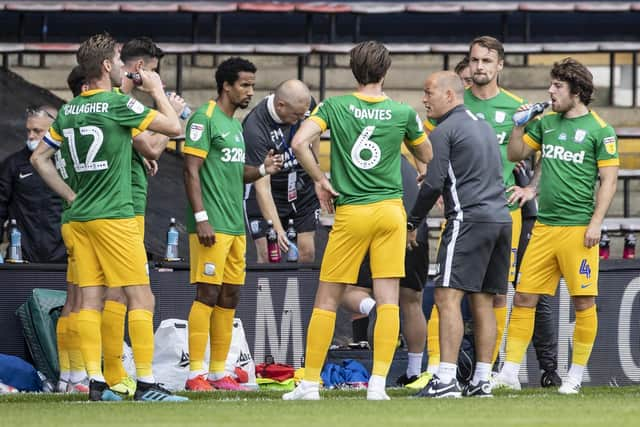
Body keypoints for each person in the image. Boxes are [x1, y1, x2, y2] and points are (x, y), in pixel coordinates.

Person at [31, 32, 186, 402]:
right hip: (114, 216)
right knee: (141, 298)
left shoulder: (68, 110)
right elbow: (174, 128)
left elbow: (38, 158)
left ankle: (96, 383)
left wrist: (71, 194)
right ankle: (147, 385)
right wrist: (158, 91)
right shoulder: (114, 104)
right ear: (105, 66)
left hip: (79, 216)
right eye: (117, 62)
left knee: (87, 300)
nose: (122, 68)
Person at [282, 41, 432, 401]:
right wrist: (422, 169)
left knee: (327, 299)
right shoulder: (402, 112)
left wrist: (320, 178)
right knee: (389, 298)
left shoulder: (335, 106)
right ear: (385, 71)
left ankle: (309, 385)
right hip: (391, 213)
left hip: (352, 212)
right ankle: (378, 385)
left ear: (353, 70)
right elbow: (427, 154)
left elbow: (300, 142)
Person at [495, 58, 619, 394]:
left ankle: (575, 376)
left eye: (557, 87)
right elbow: (515, 154)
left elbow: (608, 181)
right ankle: (509, 372)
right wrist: (519, 126)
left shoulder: (600, 130)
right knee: (523, 297)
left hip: (578, 230)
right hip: (545, 227)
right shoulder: (547, 122)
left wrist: (596, 223)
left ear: (576, 91)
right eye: (551, 85)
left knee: (583, 303)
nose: (550, 91)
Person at [183, 57, 283, 392]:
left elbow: (236, 172)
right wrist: (201, 218)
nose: (250, 92)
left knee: (230, 295)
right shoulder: (204, 118)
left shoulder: (235, 126)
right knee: (207, 293)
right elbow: (191, 170)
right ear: (226, 85)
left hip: (235, 225)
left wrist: (264, 169)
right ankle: (195, 373)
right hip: (211, 224)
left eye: (252, 85)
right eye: (244, 85)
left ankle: (217, 373)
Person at [412, 71, 512, 398]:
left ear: (450, 95)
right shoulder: (483, 125)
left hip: (469, 219)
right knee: (483, 299)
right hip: (500, 219)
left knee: (446, 296)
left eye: (429, 93)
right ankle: (482, 379)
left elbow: (431, 186)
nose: (425, 99)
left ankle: (445, 379)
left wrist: (412, 222)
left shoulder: (444, 131)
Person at [99, 36, 186, 397]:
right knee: (135, 296)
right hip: (124, 209)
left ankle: (109, 378)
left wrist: (147, 145)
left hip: (119, 205)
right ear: (137, 69)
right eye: (152, 71)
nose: (156, 77)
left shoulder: (114, 106)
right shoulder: (121, 105)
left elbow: (142, 146)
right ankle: (138, 382)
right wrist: (170, 107)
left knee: (114, 295)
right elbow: (156, 141)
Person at [242, 79, 319, 263]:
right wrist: (277, 229)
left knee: (306, 253)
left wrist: (315, 173)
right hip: (269, 188)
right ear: (281, 105)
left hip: (300, 185)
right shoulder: (255, 129)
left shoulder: (306, 106)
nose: (301, 120)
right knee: (270, 254)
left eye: (304, 115)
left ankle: (297, 293)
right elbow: (262, 188)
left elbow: (314, 133)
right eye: (296, 115)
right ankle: (264, 292)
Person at [54, 67, 90, 395]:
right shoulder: (81, 124)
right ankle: (79, 374)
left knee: (73, 298)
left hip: (70, 217)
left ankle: (69, 374)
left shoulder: (65, 122)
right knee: (85, 298)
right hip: (86, 217)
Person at [0, 105, 66, 263]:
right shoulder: (13, 164)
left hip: (66, 258)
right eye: (28, 130)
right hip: (23, 257)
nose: (30, 136)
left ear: (55, 130)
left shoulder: (70, 163)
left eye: (37, 131)